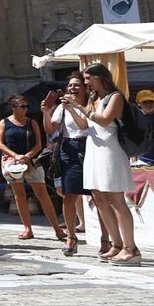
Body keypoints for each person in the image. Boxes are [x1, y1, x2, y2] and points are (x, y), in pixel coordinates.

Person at [64, 63, 139, 265]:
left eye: (88, 78)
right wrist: (71, 109)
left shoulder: (115, 97)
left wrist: (80, 107)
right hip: (94, 150)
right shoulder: (93, 99)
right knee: (99, 198)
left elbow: (105, 120)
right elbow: (85, 125)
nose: (86, 82)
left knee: (116, 200)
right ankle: (116, 243)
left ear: (100, 77)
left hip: (110, 150)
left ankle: (130, 248)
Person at [41, 72, 99, 256]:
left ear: (85, 87)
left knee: (98, 195)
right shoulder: (63, 107)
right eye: (70, 85)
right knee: (69, 194)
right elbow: (50, 128)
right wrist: (46, 113)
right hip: (69, 147)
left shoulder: (92, 105)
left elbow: (84, 126)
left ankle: (105, 238)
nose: (72, 88)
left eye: (76, 85)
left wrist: (73, 107)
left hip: (91, 146)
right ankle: (71, 237)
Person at [0, 94, 65, 242]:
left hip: (31, 159)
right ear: (13, 107)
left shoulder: (31, 123)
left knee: (42, 193)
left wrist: (27, 156)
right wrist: (16, 156)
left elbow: (39, 144)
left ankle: (57, 229)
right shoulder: (4, 122)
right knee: (19, 195)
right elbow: (0, 144)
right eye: (22, 106)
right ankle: (28, 228)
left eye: (26, 106)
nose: (26, 109)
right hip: (12, 160)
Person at [133, 90, 154, 166]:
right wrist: (133, 159)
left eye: (150, 101)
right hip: (143, 161)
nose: (148, 104)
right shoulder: (135, 118)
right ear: (138, 103)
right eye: (144, 102)